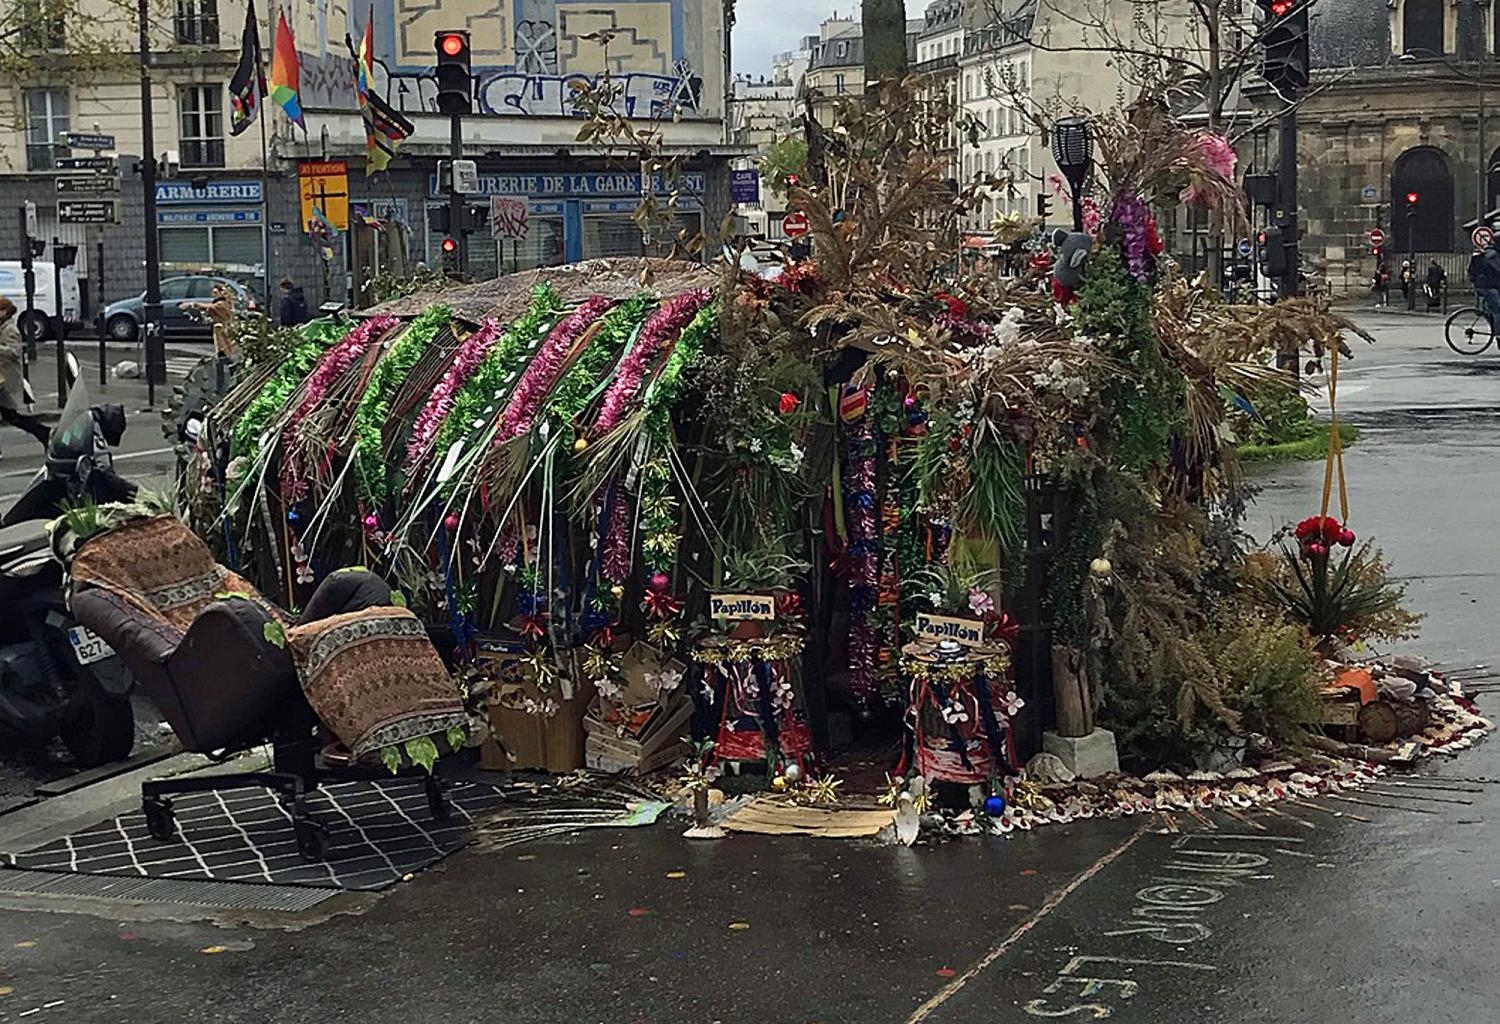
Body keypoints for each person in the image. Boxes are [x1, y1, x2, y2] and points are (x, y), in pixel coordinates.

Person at [0, 297, 50, 456]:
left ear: (4, 312)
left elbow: (15, 352)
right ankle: (43, 432)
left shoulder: (10, 330)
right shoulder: (2, 327)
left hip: (6, 380)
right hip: (1, 378)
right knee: (11, 416)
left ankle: (43, 432)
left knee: (12, 416)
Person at [1468, 239, 1500, 335]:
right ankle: (1498, 334)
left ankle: (1493, 324)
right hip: (1487, 286)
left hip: (1482, 285)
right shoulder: (1492, 255)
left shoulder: (1487, 252)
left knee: (1491, 309)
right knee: (1498, 310)